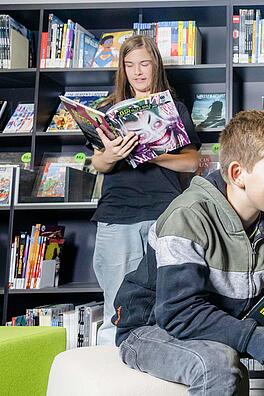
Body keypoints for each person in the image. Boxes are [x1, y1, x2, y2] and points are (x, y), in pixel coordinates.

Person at [111, 111, 264, 395]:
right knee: (217, 363)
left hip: (230, 325)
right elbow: (178, 313)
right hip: (153, 329)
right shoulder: (187, 216)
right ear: (237, 173)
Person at [90, 35, 201, 346]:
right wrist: (112, 155)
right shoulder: (108, 110)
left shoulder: (173, 108)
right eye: (129, 65)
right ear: (122, 70)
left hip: (164, 215)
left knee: (166, 302)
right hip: (118, 215)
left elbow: (191, 163)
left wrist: (152, 152)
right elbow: (98, 163)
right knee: (118, 307)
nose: (137, 72)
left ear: (156, 66)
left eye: (144, 64)